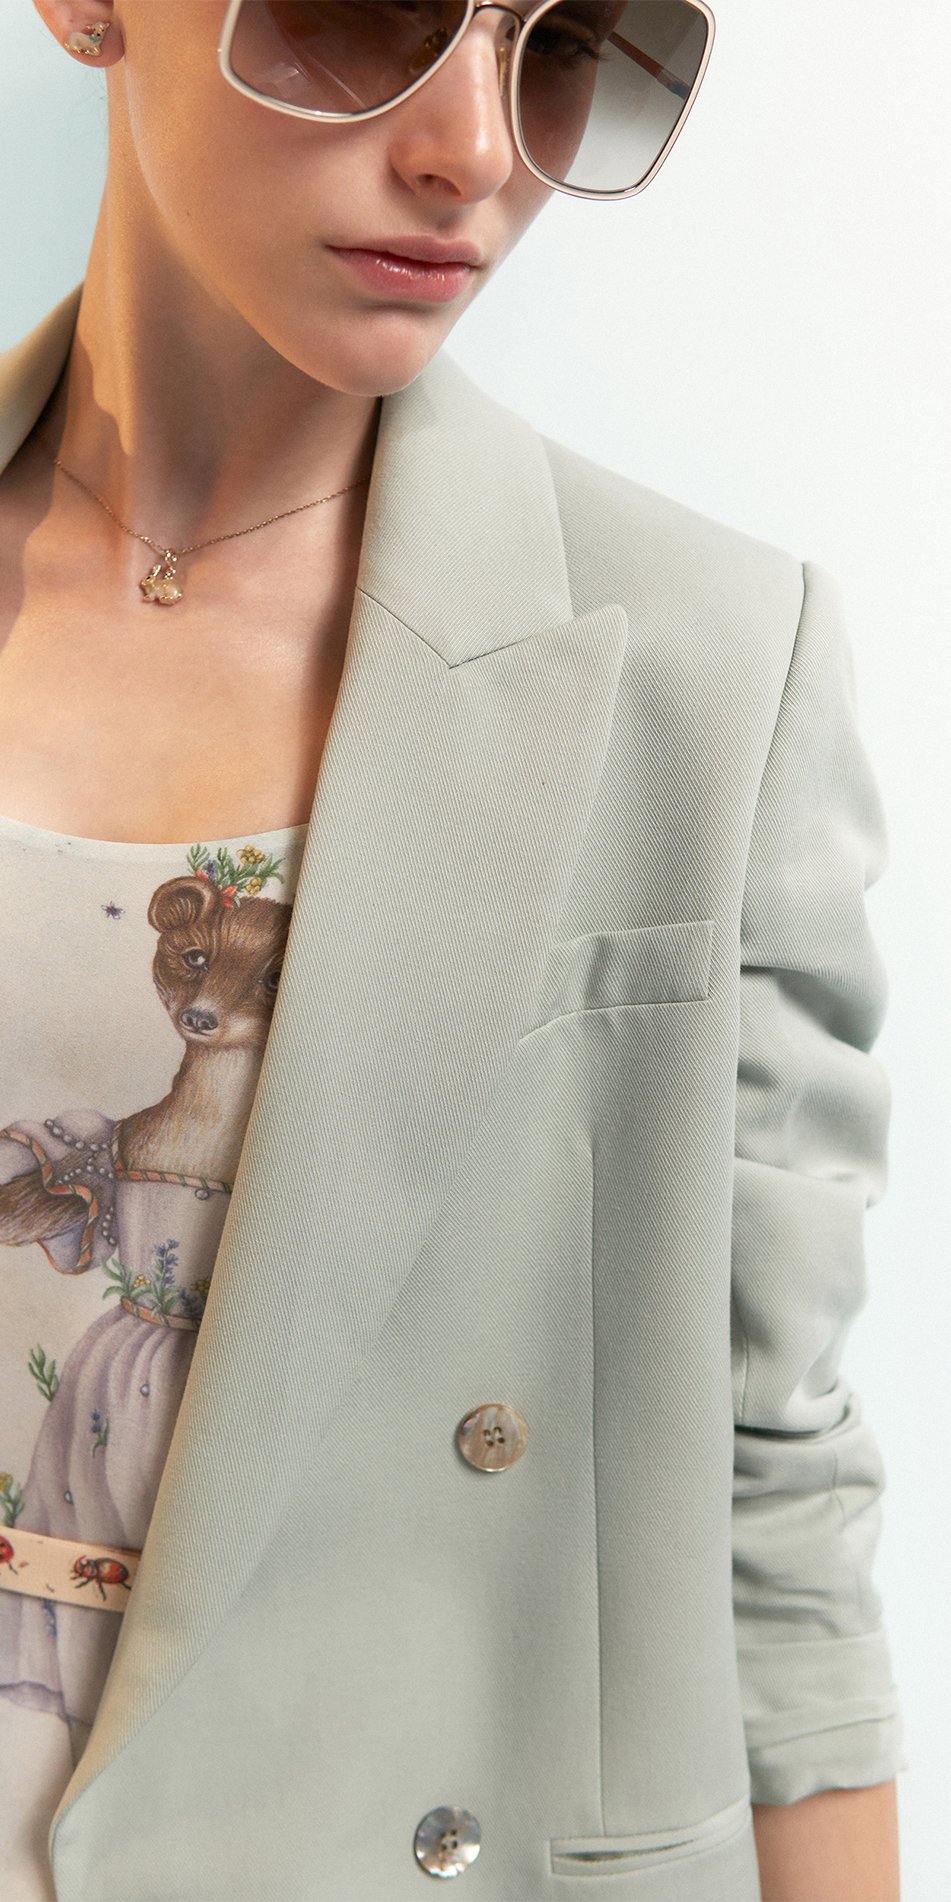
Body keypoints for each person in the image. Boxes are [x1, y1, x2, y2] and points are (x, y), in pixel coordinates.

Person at [0, 4, 906, 1898]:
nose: (477, 152)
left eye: (570, 48)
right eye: (362, 14)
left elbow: (777, 1499)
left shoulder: (704, 667)